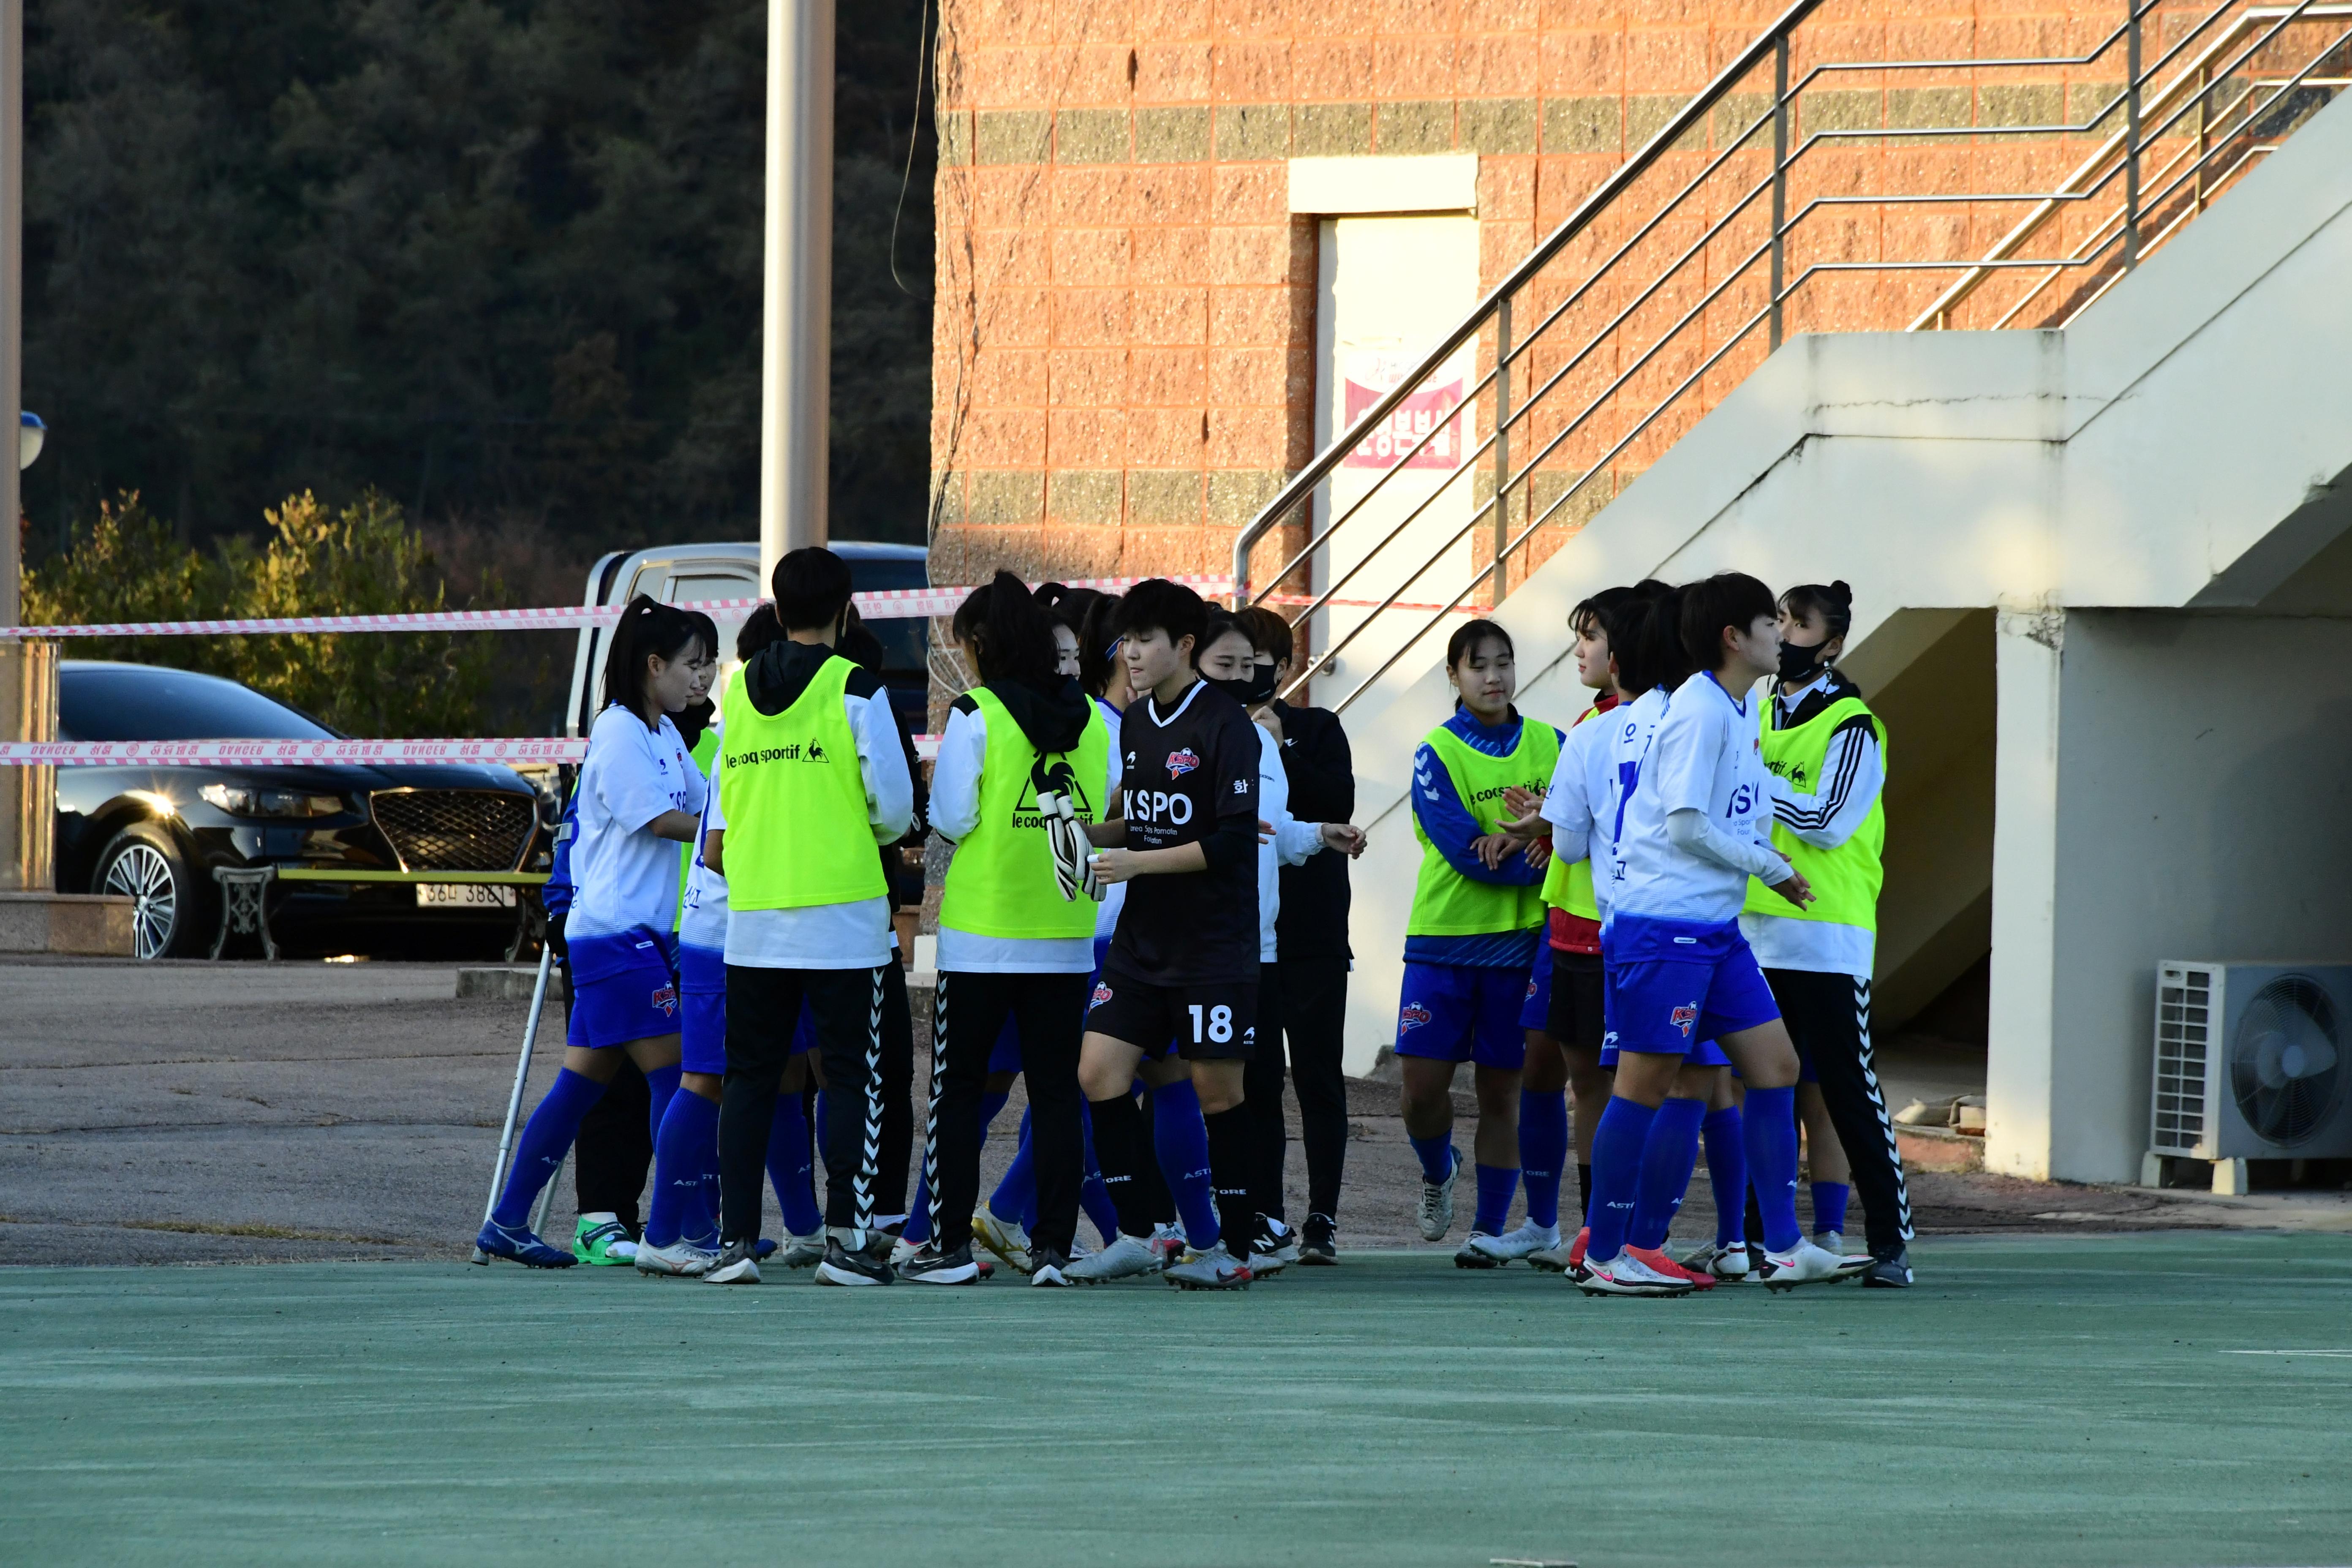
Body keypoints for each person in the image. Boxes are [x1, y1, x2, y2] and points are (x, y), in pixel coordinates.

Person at [1568, 572, 1867, 1296]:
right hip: (1665, 928)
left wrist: (1768, 860)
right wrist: (1768, 865)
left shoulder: (1737, 709)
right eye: (1771, 623)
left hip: (1714, 929)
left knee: (1777, 1067)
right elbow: (1684, 823)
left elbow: (1742, 809)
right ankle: (1606, 1253)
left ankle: (1785, 1246)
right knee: (1645, 1086)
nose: (1781, 636)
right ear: (1734, 637)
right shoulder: (1700, 710)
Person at [472, 596, 714, 1267]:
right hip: (616, 938)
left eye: (709, 665)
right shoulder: (617, 734)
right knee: (681, 1081)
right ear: (653, 665)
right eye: (692, 665)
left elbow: (702, 800)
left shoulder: (665, 732)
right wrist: (743, 838)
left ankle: (508, 1220)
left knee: (581, 1087)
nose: (703, 678)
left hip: (630, 940)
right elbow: (667, 821)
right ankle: (683, 1236)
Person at [702, 547, 916, 1287]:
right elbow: (894, 810)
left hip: (756, 916)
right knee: (852, 1077)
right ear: (846, 609)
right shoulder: (855, 688)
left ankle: (735, 1243)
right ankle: (847, 1242)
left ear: (776, 608)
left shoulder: (735, 694)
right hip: (844, 918)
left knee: (750, 1079)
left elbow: (725, 811)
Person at [1063, 580, 1283, 1290]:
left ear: (1184, 646)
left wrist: (1135, 863)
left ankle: (1234, 1248)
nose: (1129, 653)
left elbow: (1227, 842)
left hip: (1212, 947)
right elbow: (1140, 819)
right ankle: (1138, 1233)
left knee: (1218, 1094)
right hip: (1141, 943)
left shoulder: (1228, 725)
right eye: (1125, 641)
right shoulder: (1134, 722)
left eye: (1145, 640)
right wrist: (1080, 835)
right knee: (1097, 1073)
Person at [901, 573, 1112, 1285]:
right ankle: (1054, 1246)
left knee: (958, 1092)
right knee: (1055, 1094)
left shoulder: (977, 713)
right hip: (1064, 932)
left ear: (985, 644)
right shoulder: (1087, 714)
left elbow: (954, 817)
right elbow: (1102, 806)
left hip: (984, 932)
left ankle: (949, 1245)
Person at [1736, 580, 1914, 1289]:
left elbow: (1826, 821)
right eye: (1778, 620)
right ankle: (1755, 1240)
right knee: (1762, 1091)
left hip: (1828, 937)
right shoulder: (1753, 711)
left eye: (1800, 623)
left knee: (1846, 1089)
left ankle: (1890, 1244)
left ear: (1833, 643)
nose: (1784, 634)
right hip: (1754, 932)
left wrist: (1747, 776)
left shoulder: (1854, 724)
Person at [1480, 585, 1648, 1269]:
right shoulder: (1592, 718)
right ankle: (1550, 1225)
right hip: (1564, 923)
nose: (1579, 649)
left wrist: (1553, 822)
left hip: (1606, 929)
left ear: (1626, 648)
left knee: (1607, 1085)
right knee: (1545, 1072)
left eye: (1591, 637)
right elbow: (1581, 824)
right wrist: (1548, 820)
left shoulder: (1641, 721)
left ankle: (1606, 1231)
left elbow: (1613, 824)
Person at [1197, 607, 1362, 1269]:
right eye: (1231, 663)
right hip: (1245, 941)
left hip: (1313, 933)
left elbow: (1332, 802)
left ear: (1285, 669)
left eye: (1259, 663)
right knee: (1253, 1084)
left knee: (1319, 1078)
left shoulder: (1314, 730)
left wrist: (1283, 744)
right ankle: (1259, 1213)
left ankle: (1321, 1216)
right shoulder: (1210, 733)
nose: (1248, 676)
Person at [1394, 620, 1561, 1266]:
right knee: (1421, 1090)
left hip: (1520, 946)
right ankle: (1440, 1169)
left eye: (1504, 663)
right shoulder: (1435, 751)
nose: (1493, 677)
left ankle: (1488, 1230)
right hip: (1442, 942)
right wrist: (1539, 846)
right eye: (1478, 666)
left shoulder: (1555, 743)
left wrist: (1528, 841)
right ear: (1454, 677)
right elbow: (1465, 851)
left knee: (1502, 1092)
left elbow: (1578, 827)